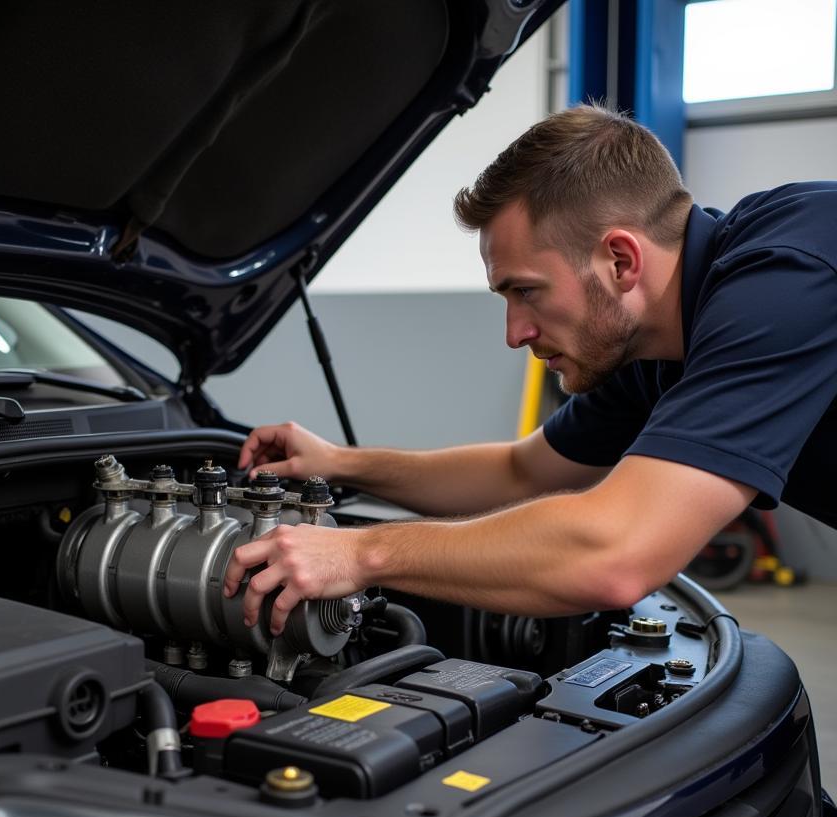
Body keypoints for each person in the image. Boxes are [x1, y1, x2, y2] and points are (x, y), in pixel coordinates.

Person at [222, 104, 837, 636]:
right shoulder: (650, 349)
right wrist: (340, 464)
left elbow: (617, 552)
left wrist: (362, 553)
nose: (515, 334)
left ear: (620, 260)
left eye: (527, 292)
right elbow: (522, 470)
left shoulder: (784, 278)